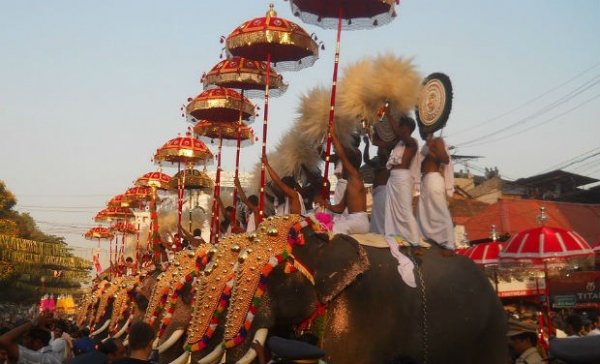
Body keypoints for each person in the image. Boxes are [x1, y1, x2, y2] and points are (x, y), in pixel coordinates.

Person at [382, 110, 425, 247]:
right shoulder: (397, 144)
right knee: (391, 211)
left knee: (405, 210)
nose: (400, 130)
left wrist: (388, 114)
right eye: (400, 127)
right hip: (393, 179)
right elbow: (379, 143)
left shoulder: (412, 142)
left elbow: (398, 133)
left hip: (403, 178)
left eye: (403, 128)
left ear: (409, 129)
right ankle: (394, 238)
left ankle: (415, 242)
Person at [315, 127, 369, 235]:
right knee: (325, 222)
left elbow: (342, 155)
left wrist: (334, 136)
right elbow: (339, 208)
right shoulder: (349, 185)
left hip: (358, 221)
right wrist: (326, 205)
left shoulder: (355, 171)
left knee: (333, 229)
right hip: (351, 218)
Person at [415, 132, 455, 250]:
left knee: (440, 212)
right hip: (425, 180)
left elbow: (445, 159)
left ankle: (448, 244)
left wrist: (432, 151)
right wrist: (427, 149)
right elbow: (419, 164)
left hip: (434, 180)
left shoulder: (438, 140)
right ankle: (424, 240)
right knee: (422, 213)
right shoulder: (427, 144)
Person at [362, 135, 390, 234]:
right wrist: (367, 145)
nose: (379, 151)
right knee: (377, 217)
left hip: (384, 193)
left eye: (381, 149)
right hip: (377, 193)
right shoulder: (378, 162)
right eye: (379, 150)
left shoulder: (388, 163)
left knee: (382, 218)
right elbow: (366, 159)